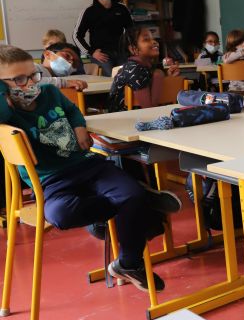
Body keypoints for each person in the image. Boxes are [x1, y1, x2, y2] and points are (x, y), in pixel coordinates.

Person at [0, 45, 178, 290]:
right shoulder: (6, 112)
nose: (30, 83)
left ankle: (128, 262)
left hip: (88, 165)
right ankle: (138, 205)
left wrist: (79, 126)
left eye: (33, 75)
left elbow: (72, 110)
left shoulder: (49, 92)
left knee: (131, 196)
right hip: (51, 182)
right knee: (64, 214)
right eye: (19, 79)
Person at [107, 27, 181, 113]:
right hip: (123, 122)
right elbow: (149, 110)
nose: (154, 42)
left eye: (153, 39)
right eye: (146, 39)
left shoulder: (146, 68)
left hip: (141, 119)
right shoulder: (134, 69)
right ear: (133, 49)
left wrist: (169, 79)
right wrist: (159, 77)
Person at [74, 0, 133, 75]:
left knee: (127, 78)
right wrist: (91, 52)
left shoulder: (122, 8)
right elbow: (77, 35)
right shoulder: (88, 12)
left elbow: (131, 30)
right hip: (101, 55)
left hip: (121, 52)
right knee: (110, 81)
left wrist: (132, 46)